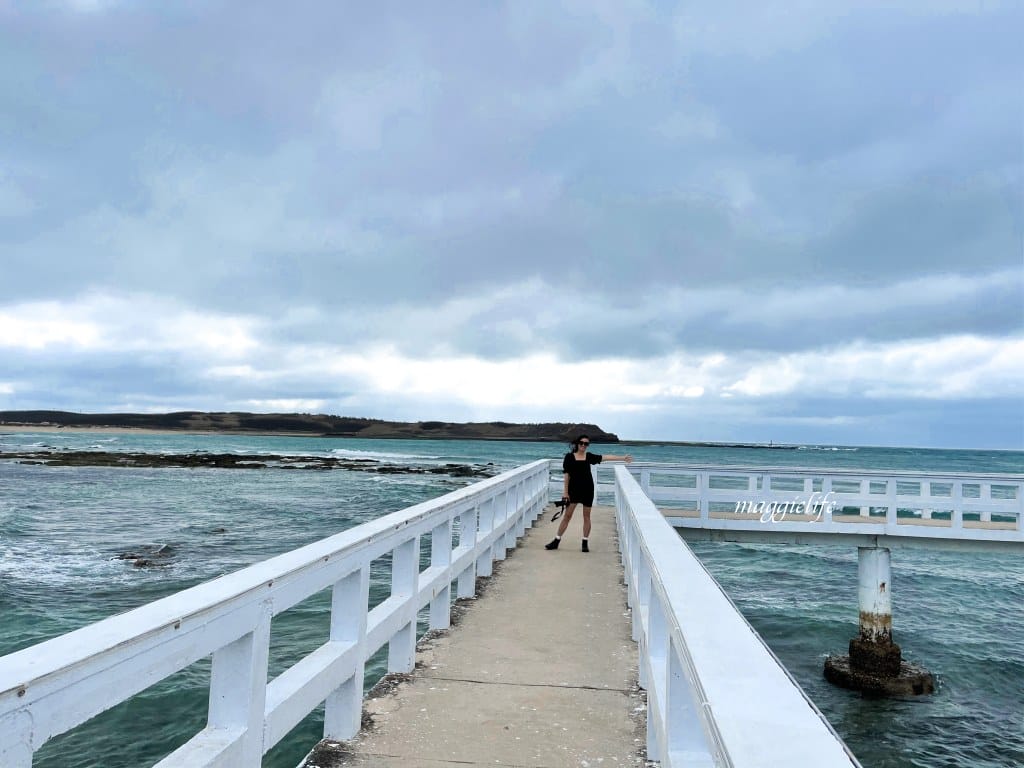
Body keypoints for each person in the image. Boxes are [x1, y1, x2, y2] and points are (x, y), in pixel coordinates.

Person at [545, 435, 632, 552]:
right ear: (577, 443)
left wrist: (622, 458)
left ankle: (585, 542)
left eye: (586, 444)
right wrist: (565, 492)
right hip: (573, 491)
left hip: (587, 490)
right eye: (581, 443)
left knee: (586, 517)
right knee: (567, 516)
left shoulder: (589, 456)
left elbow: (605, 457)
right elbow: (567, 475)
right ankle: (556, 540)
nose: (583, 445)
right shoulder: (569, 457)